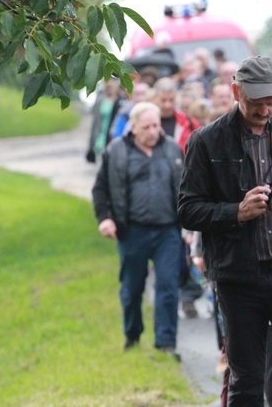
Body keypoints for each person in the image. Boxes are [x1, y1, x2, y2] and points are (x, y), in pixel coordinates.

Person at [178, 56, 272, 406]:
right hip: (239, 278)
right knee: (246, 376)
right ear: (236, 92)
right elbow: (187, 210)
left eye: (271, 103)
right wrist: (237, 212)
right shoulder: (207, 142)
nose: (265, 112)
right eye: (256, 103)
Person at [92, 102, 185, 358]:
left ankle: (166, 343)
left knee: (168, 285)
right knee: (132, 289)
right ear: (134, 127)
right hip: (132, 230)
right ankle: (132, 334)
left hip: (168, 231)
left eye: (156, 125)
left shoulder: (172, 149)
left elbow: (184, 188)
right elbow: (100, 189)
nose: (153, 131)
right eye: (147, 127)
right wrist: (105, 219)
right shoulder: (116, 151)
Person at [151, 77, 198, 153]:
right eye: (163, 100)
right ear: (155, 98)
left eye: (171, 100)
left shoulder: (189, 123)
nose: (167, 105)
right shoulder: (145, 123)